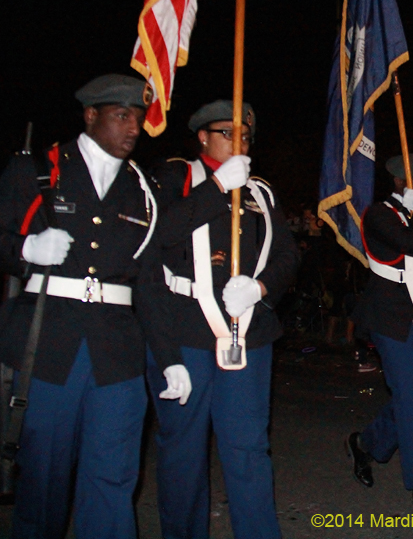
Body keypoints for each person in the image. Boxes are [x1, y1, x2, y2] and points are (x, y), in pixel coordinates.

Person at [0, 74, 187, 539]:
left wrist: (169, 359)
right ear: (90, 116)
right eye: (121, 116)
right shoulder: (40, 170)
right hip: (49, 348)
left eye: (139, 118)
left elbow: (148, 283)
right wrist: (26, 249)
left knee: (113, 478)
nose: (133, 128)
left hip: (117, 353)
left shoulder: (142, 189)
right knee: (43, 480)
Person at [148, 99, 300, 539]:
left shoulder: (260, 191)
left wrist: (261, 288)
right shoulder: (176, 176)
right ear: (202, 136)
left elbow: (288, 254)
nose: (239, 141)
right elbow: (158, 236)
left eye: (246, 135)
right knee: (182, 450)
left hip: (247, 333)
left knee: (248, 447)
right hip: (185, 330)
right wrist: (215, 188)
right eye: (228, 133)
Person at [345, 154, 413, 511]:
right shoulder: (377, 214)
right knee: (410, 399)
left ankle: (367, 444)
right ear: (401, 181)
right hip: (390, 319)